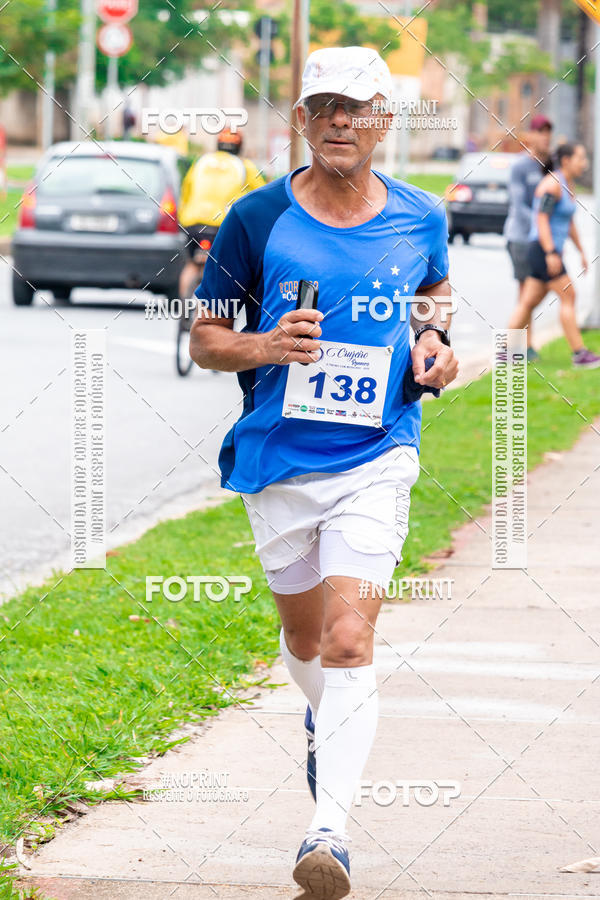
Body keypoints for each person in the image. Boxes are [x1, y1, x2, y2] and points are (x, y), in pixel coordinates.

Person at [190, 46, 458, 899]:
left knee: (350, 639)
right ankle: (325, 718)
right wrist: (263, 346)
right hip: (279, 461)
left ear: (385, 120)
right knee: (307, 643)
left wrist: (434, 345)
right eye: (324, 106)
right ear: (301, 119)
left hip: (377, 455)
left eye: (359, 107)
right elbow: (204, 338)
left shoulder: (421, 217)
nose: (341, 120)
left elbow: (434, 300)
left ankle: (328, 834)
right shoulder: (256, 218)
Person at [508, 142, 600, 369]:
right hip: (541, 249)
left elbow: (568, 222)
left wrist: (580, 251)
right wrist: (550, 252)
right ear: (566, 160)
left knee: (528, 303)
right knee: (569, 296)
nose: (585, 164)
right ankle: (579, 353)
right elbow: (541, 220)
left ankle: (505, 351)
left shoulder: (568, 185)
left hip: (547, 250)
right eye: (581, 158)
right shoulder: (552, 185)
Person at [177, 127, 265, 298]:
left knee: (191, 265)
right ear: (240, 147)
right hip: (224, 225)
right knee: (226, 269)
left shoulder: (201, 162)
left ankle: (183, 311)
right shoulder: (245, 166)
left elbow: (186, 191)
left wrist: (183, 217)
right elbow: (262, 197)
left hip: (193, 223)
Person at [503, 114, 553, 361]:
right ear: (531, 135)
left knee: (531, 292)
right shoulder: (521, 166)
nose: (545, 137)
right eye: (540, 132)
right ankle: (521, 346)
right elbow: (519, 204)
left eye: (548, 132)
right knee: (527, 291)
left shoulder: (549, 165)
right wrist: (539, 226)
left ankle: (521, 344)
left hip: (541, 238)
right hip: (521, 237)